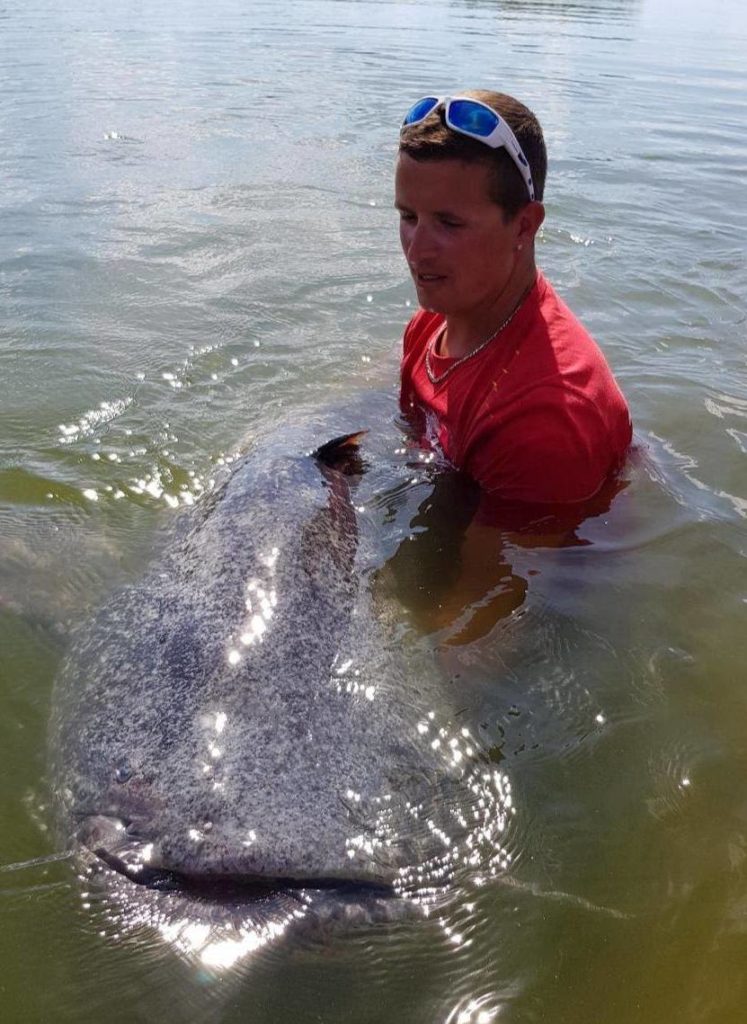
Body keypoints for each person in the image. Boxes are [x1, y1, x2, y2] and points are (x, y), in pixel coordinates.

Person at [391, 91, 632, 642]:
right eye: (408, 216)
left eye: (448, 223)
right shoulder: (437, 320)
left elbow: (475, 630)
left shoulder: (544, 417)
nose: (416, 249)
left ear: (525, 225)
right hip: (461, 504)